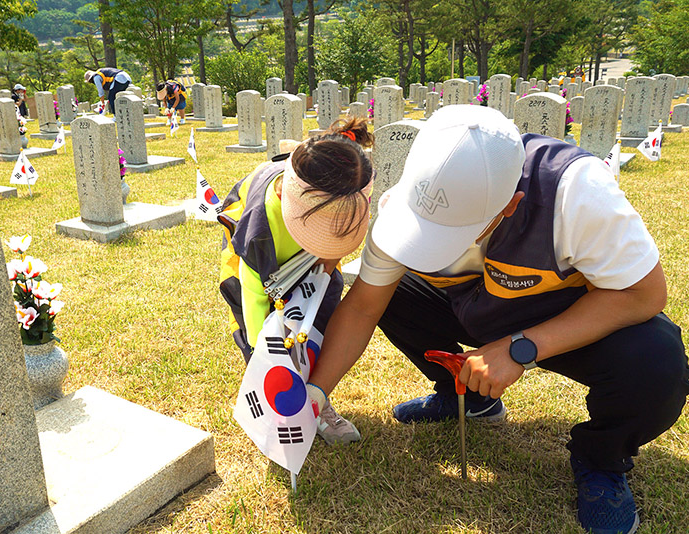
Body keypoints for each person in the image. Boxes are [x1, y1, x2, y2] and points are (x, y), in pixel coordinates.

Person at [306, 105, 689, 534]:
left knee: (658, 363)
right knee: (389, 294)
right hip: (472, 305)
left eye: (452, 231)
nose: (435, 244)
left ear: (510, 205)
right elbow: (361, 307)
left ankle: (600, 458)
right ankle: (468, 399)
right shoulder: (405, 202)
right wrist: (316, 392)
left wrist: (520, 347)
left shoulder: (576, 191)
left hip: (560, 316)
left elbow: (645, 294)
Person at [218, 118, 374, 445]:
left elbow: (332, 249)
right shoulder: (259, 229)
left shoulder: (337, 186)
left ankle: (316, 402)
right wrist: (268, 355)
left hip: (309, 264)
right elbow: (256, 300)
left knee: (317, 326)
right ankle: (277, 410)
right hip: (254, 273)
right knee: (271, 339)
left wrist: (328, 255)